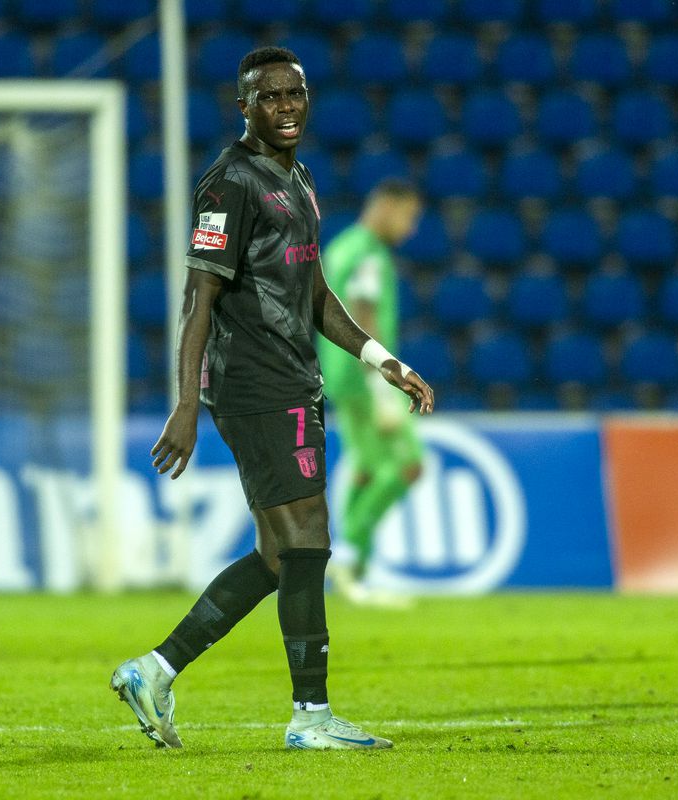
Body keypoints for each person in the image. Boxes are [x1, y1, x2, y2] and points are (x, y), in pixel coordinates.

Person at [108, 46, 435, 751]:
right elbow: (199, 297)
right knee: (308, 537)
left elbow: (315, 293)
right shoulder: (227, 186)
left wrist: (383, 360)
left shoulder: (300, 178)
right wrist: (187, 401)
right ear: (244, 106)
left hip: (294, 378)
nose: (286, 108)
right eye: (271, 97)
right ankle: (310, 717)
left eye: (296, 94)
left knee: (278, 554)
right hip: (253, 384)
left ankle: (154, 670)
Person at [318, 179, 425, 605]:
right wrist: (383, 385)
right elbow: (363, 312)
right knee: (407, 466)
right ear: (386, 206)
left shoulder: (341, 247)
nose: (410, 228)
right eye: (408, 216)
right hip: (366, 378)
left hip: (339, 373)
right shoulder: (368, 255)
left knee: (365, 468)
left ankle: (357, 571)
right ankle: (349, 557)